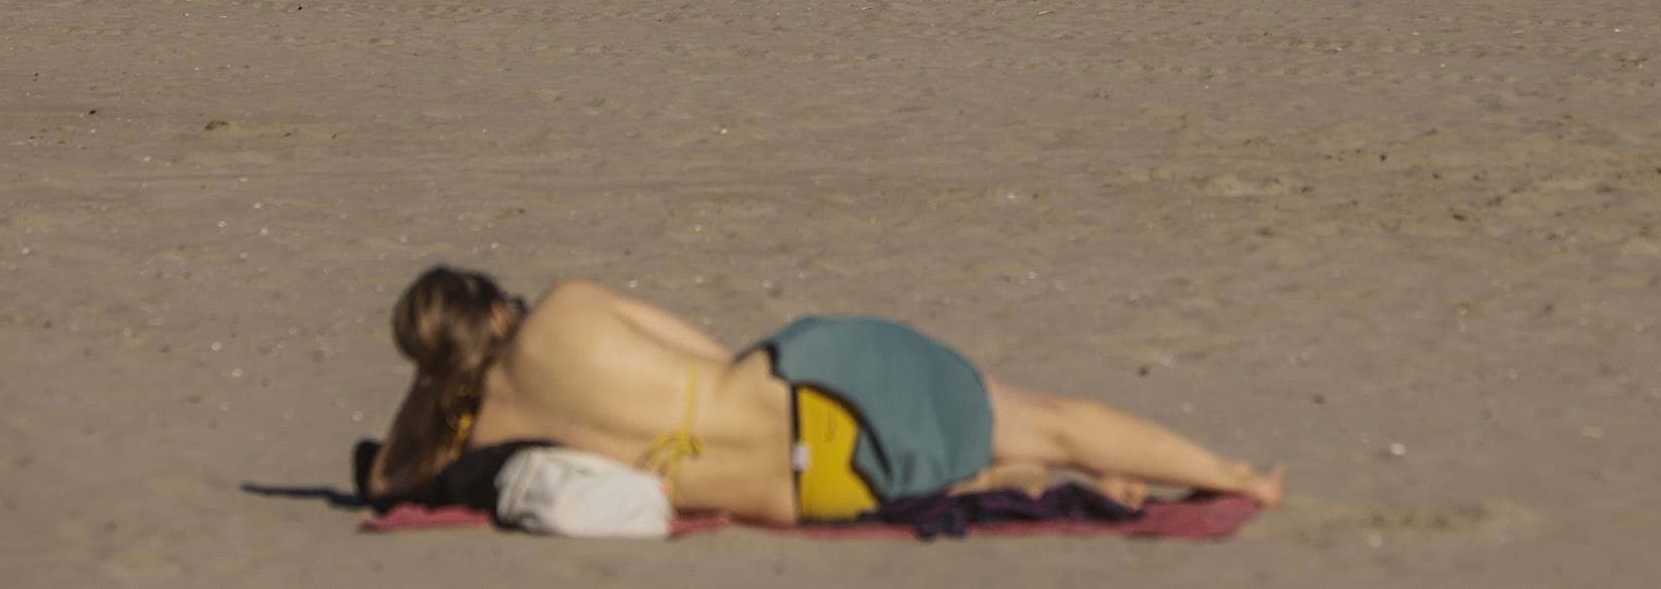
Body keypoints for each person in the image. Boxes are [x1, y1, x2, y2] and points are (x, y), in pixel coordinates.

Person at [367, 267, 1285, 526]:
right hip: (821, 383)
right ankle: (1233, 470)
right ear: (494, 305)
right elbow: (718, 352)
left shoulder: (466, 430)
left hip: (818, 491)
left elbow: (387, 479)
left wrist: (430, 396)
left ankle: (1022, 474)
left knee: (992, 448)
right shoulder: (566, 306)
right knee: (1046, 415)